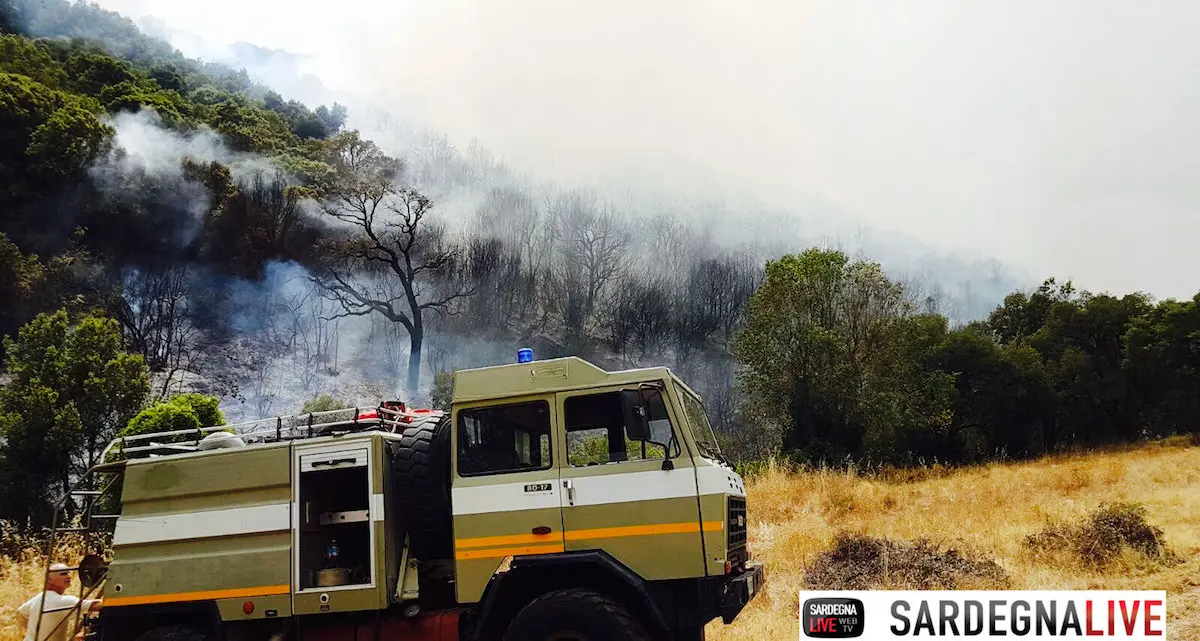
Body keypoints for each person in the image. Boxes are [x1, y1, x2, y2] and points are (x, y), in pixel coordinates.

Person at [15, 563, 101, 641]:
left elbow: (20, 612)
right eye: (63, 574)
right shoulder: (63, 601)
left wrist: (32, 634)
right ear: (50, 580)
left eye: (68, 573)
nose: (69, 576)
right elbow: (96, 605)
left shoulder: (40, 597)